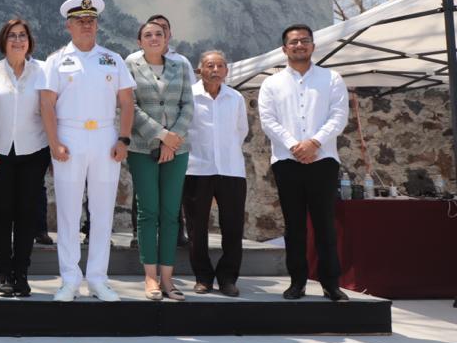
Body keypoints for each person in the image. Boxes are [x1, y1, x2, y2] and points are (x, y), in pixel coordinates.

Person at [40, 0, 135, 302]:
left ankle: (98, 278)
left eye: (91, 20)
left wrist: (123, 139)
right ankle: (69, 279)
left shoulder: (113, 59)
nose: (86, 25)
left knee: (103, 212)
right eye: (80, 21)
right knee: (68, 212)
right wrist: (54, 142)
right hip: (70, 135)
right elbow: (46, 104)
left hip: (105, 138)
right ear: (69, 25)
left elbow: (126, 102)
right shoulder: (56, 60)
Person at [258, 24, 350, 301]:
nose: (300, 45)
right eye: (294, 42)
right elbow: (268, 120)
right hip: (287, 160)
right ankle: (297, 282)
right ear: (284, 48)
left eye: (305, 41)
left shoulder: (331, 78)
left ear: (312, 45)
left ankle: (331, 283)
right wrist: (294, 145)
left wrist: (314, 143)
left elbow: (338, 116)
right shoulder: (271, 83)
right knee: (294, 225)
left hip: (323, 160)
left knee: (324, 224)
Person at [125, 20, 194, 301]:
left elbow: (187, 104)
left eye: (159, 34)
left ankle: (168, 278)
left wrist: (173, 138)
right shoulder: (130, 66)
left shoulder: (181, 67)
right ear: (139, 41)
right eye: (147, 35)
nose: (154, 38)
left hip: (177, 149)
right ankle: (150, 277)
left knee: (170, 214)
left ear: (167, 39)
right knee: (148, 212)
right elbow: (131, 106)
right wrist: (162, 135)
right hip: (143, 149)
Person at [0, 18, 50, 297]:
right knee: (1, 214)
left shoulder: (43, 71)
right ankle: (3, 272)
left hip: (33, 152)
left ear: (29, 41)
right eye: (12, 36)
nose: (18, 40)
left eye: (23, 36)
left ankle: (21, 273)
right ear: (3, 41)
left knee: (26, 215)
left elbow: (51, 111)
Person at [183, 50, 248, 297]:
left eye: (221, 66)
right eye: (210, 65)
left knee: (233, 226)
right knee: (196, 227)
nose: (216, 70)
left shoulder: (235, 98)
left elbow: (241, 130)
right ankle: (203, 277)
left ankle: (228, 278)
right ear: (200, 69)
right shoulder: (189, 95)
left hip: (231, 169)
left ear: (226, 71)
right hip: (196, 168)